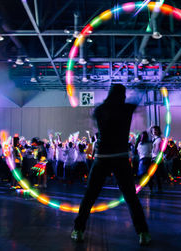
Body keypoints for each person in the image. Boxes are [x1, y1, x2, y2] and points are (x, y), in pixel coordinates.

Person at [71, 84, 150, 246]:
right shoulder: (126, 108)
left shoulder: (100, 110)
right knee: (130, 197)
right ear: (123, 95)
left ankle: (78, 230)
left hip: (102, 157)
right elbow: (137, 98)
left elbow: (93, 118)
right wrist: (141, 87)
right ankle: (143, 233)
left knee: (90, 195)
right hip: (120, 157)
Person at [150, 125, 164, 193]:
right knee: (156, 174)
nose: (154, 132)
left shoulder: (159, 139)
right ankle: (158, 187)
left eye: (156, 130)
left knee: (156, 174)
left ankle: (158, 188)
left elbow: (158, 150)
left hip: (156, 158)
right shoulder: (153, 139)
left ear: (158, 131)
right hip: (153, 158)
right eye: (153, 131)